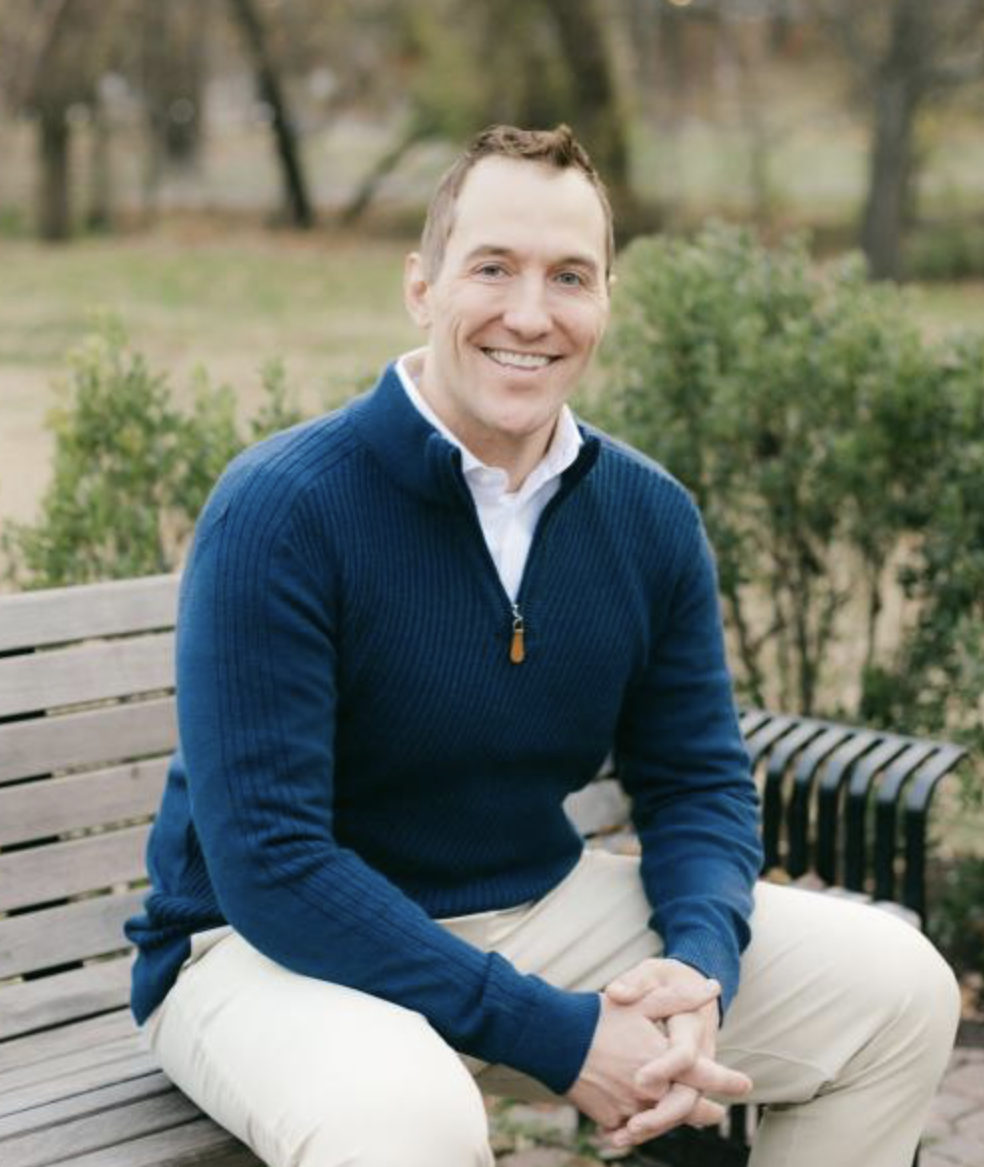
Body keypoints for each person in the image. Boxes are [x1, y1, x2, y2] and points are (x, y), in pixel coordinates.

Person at [126, 124, 960, 1167]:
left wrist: (699, 966)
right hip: (266, 954)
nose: (530, 313)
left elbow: (699, 781)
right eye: (492, 268)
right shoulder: (283, 510)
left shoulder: (647, 517)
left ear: (607, 299)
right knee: (407, 1124)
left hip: (533, 909)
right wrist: (560, 1038)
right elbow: (271, 863)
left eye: (570, 276)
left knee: (899, 992)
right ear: (422, 286)